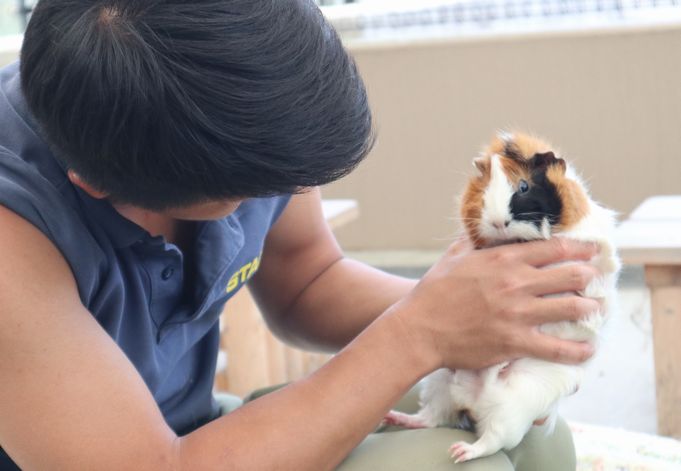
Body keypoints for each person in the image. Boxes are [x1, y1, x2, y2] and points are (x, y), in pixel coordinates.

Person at [0, 0, 600, 469]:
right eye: (256, 188)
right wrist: (418, 334)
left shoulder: (231, 96)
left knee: (536, 438)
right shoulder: (17, 230)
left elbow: (308, 281)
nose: (280, 194)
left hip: (188, 431)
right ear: (95, 185)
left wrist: (488, 313)